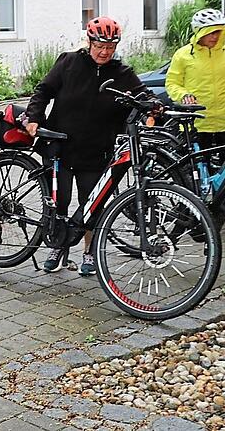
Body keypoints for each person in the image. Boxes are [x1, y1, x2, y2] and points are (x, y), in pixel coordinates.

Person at [26, 17, 147, 276]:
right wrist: (34, 116)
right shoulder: (69, 62)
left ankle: (89, 252)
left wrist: (156, 109)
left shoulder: (122, 73)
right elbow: (43, 90)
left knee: (92, 204)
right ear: (90, 42)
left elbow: (144, 96)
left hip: (96, 149)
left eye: (110, 47)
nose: (104, 52)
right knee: (59, 202)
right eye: (100, 46)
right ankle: (58, 247)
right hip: (60, 146)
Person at [166, 8, 225, 220]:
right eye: (210, 32)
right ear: (199, 33)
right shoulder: (183, 55)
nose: (215, 36)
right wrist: (183, 95)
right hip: (199, 121)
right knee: (196, 169)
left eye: (219, 31)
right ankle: (195, 208)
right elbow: (172, 83)